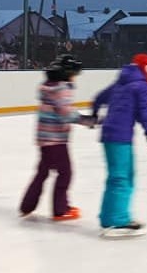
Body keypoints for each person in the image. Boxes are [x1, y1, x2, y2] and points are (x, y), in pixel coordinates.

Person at [19, 54, 95, 220]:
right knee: (65, 173)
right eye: (74, 74)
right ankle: (60, 210)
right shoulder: (62, 88)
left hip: (44, 137)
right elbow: (66, 114)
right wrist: (89, 120)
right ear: (67, 73)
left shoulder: (48, 86)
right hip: (55, 139)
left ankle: (27, 206)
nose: (75, 78)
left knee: (42, 173)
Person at [91, 53, 147, 237]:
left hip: (109, 135)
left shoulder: (121, 82)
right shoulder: (141, 86)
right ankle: (117, 220)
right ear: (145, 68)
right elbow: (145, 114)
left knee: (120, 176)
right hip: (120, 137)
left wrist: (95, 114)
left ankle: (110, 217)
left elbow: (98, 98)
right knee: (121, 178)